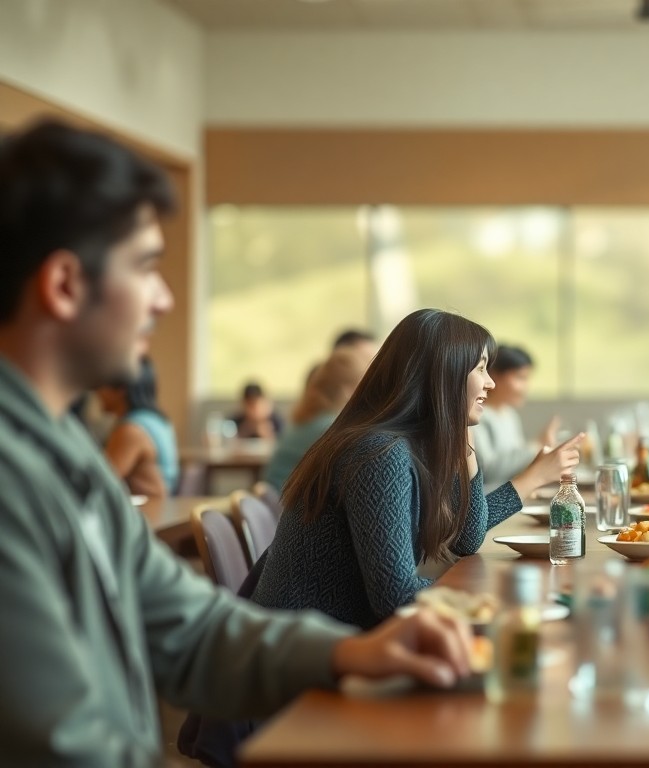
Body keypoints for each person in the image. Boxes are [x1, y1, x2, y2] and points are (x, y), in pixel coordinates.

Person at [0, 119, 477, 765]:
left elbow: (189, 629)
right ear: (63, 285)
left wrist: (345, 654)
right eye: (145, 266)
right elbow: (63, 743)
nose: (164, 299)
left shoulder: (66, 447)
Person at [251, 309, 583, 630]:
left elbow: (466, 536)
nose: (491, 383)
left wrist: (465, 447)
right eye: (481, 369)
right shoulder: (379, 453)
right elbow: (396, 599)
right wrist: (493, 600)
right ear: (445, 376)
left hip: (335, 641)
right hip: (302, 660)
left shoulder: (407, 445)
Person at [263, 346, 375, 491]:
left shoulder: (310, 418)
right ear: (348, 390)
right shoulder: (330, 427)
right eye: (364, 386)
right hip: (288, 506)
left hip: (275, 502)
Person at [474, 344, 560, 492]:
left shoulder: (510, 415)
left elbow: (516, 465)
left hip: (513, 495)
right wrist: (536, 445)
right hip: (491, 501)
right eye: (520, 378)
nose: (526, 387)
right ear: (494, 376)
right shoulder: (476, 417)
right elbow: (487, 472)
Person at [96, 356, 179, 497]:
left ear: (121, 389)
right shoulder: (158, 420)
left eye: (102, 384)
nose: (97, 392)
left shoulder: (130, 430)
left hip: (150, 511)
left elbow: (100, 483)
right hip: (166, 506)